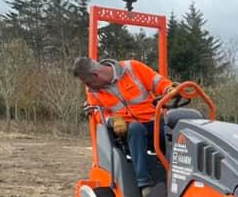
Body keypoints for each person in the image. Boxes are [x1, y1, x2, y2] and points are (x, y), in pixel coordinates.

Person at [72, 56, 173, 188]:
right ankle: (144, 185)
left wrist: (169, 89)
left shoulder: (132, 68)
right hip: (126, 130)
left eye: (88, 82)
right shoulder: (93, 90)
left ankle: (178, 178)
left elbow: (158, 82)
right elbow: (98, 113)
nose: (88, 87)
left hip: (153, 122)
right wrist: (113, 120)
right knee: (136, 129)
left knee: (176, 129)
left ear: (96, 75)